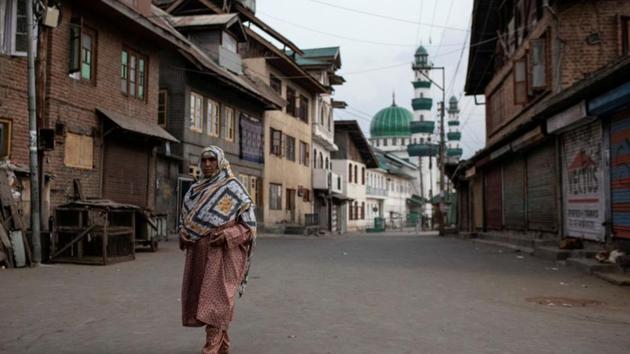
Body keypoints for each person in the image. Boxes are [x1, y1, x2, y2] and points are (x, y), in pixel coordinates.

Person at [179, 146, 256, 354]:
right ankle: (222, 346)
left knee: (218, 300)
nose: (207, 164)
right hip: (199, 253)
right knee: (204, 300)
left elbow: (249, 227)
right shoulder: (194, 191)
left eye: (212, 160)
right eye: (204, 160)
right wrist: (183, 233)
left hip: (225, 254)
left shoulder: (234, 189)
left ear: (220, 161)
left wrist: (228, 236)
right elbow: (186, 221)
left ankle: (211, 349)